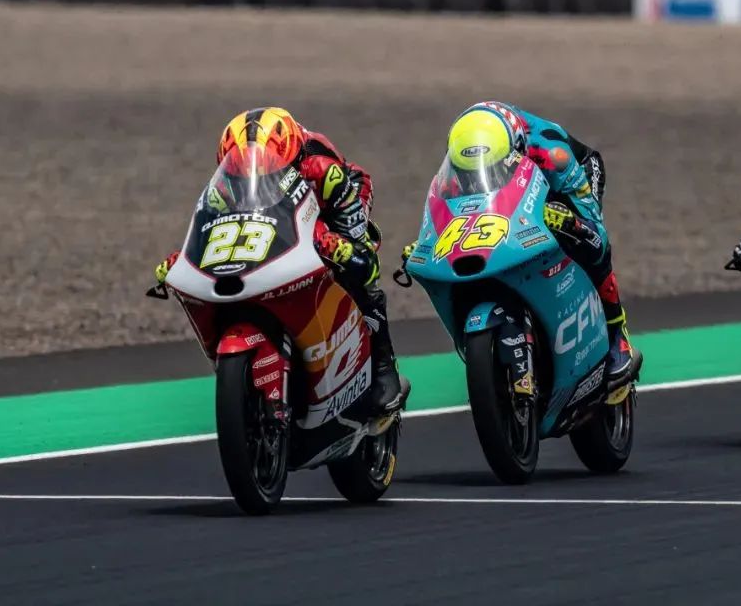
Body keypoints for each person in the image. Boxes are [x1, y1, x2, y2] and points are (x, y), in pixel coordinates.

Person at [155, 107, 405, 414]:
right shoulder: (230, 180)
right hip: (279, 210)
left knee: (357, 268)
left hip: (337, 199)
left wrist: (343, 247)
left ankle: (383, 367)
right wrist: (187, 259)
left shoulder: (323, 171)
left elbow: (364, 257)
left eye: (267, 170)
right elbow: (217, 222)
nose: (253, 176)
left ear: (290, 158)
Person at [408, 101, 642, 390]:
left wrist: (572, 220)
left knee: (592, 242)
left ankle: (617, 332)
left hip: (571, 178)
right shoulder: (463, 158)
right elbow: (451, 210)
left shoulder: (553, 154)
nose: (470, 177)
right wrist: (428, 244)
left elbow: (593, 228)